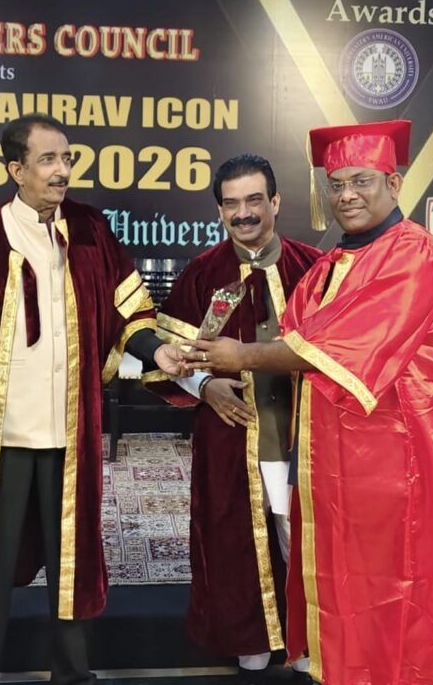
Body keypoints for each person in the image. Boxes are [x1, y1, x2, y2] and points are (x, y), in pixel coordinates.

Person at [183, 120, 433, 685]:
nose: (346, 195)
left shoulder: (411, 254)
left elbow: (330, 349)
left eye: (361, 181)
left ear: (394, 182)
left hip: (394, 460)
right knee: (335, 573)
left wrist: (241, 355)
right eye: (336, 184)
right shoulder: (332, 264)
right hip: (330, 457)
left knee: (391, 585)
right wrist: (201, 374)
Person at [0, 113, 185, 685]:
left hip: (70, 431)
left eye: (67, 158)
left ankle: (72, 673)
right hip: (0, 433)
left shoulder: (90, 229)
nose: (62, 170)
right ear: (16, 170)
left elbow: (130, 310)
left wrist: (155, 349)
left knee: (72, 561)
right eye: (48, 160)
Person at [145, 154, 320, 680]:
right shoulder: (202, 274)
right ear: (219, 210)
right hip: (231, 433)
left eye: (254, 200)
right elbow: (168, 358)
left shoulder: (313, 268)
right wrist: (205, 385)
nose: (243, 213)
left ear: (276, 202)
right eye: (231, 204)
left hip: (302, 434)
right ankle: (249, 639)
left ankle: (307, 639)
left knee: (303, 537)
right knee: (233, 538)